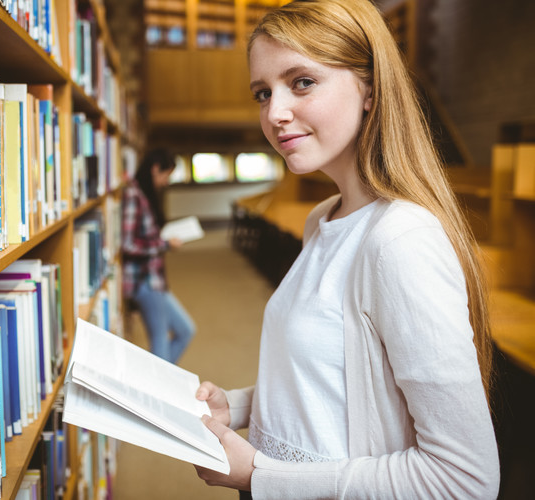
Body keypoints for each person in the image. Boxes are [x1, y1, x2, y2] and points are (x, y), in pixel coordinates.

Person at [193, 0, 499, 498]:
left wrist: (260, 475)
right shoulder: (325, 218)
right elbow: (332, 382)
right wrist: (239, 406)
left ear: (370, 93)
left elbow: (465, 479)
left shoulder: (399, 241)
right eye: (262, 92)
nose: (275, 113)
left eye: (302, 82)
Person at [121, 148, 196, 364]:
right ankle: (154, 390)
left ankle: (154, 383)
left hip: (156, 279)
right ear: (155, 169)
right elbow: (127, 244)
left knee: (185, 330)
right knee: (160, 343)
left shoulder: (145, 194)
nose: (165, 182)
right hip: (144, 281)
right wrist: (163, 244)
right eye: (166, 175)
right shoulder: (133, 195)